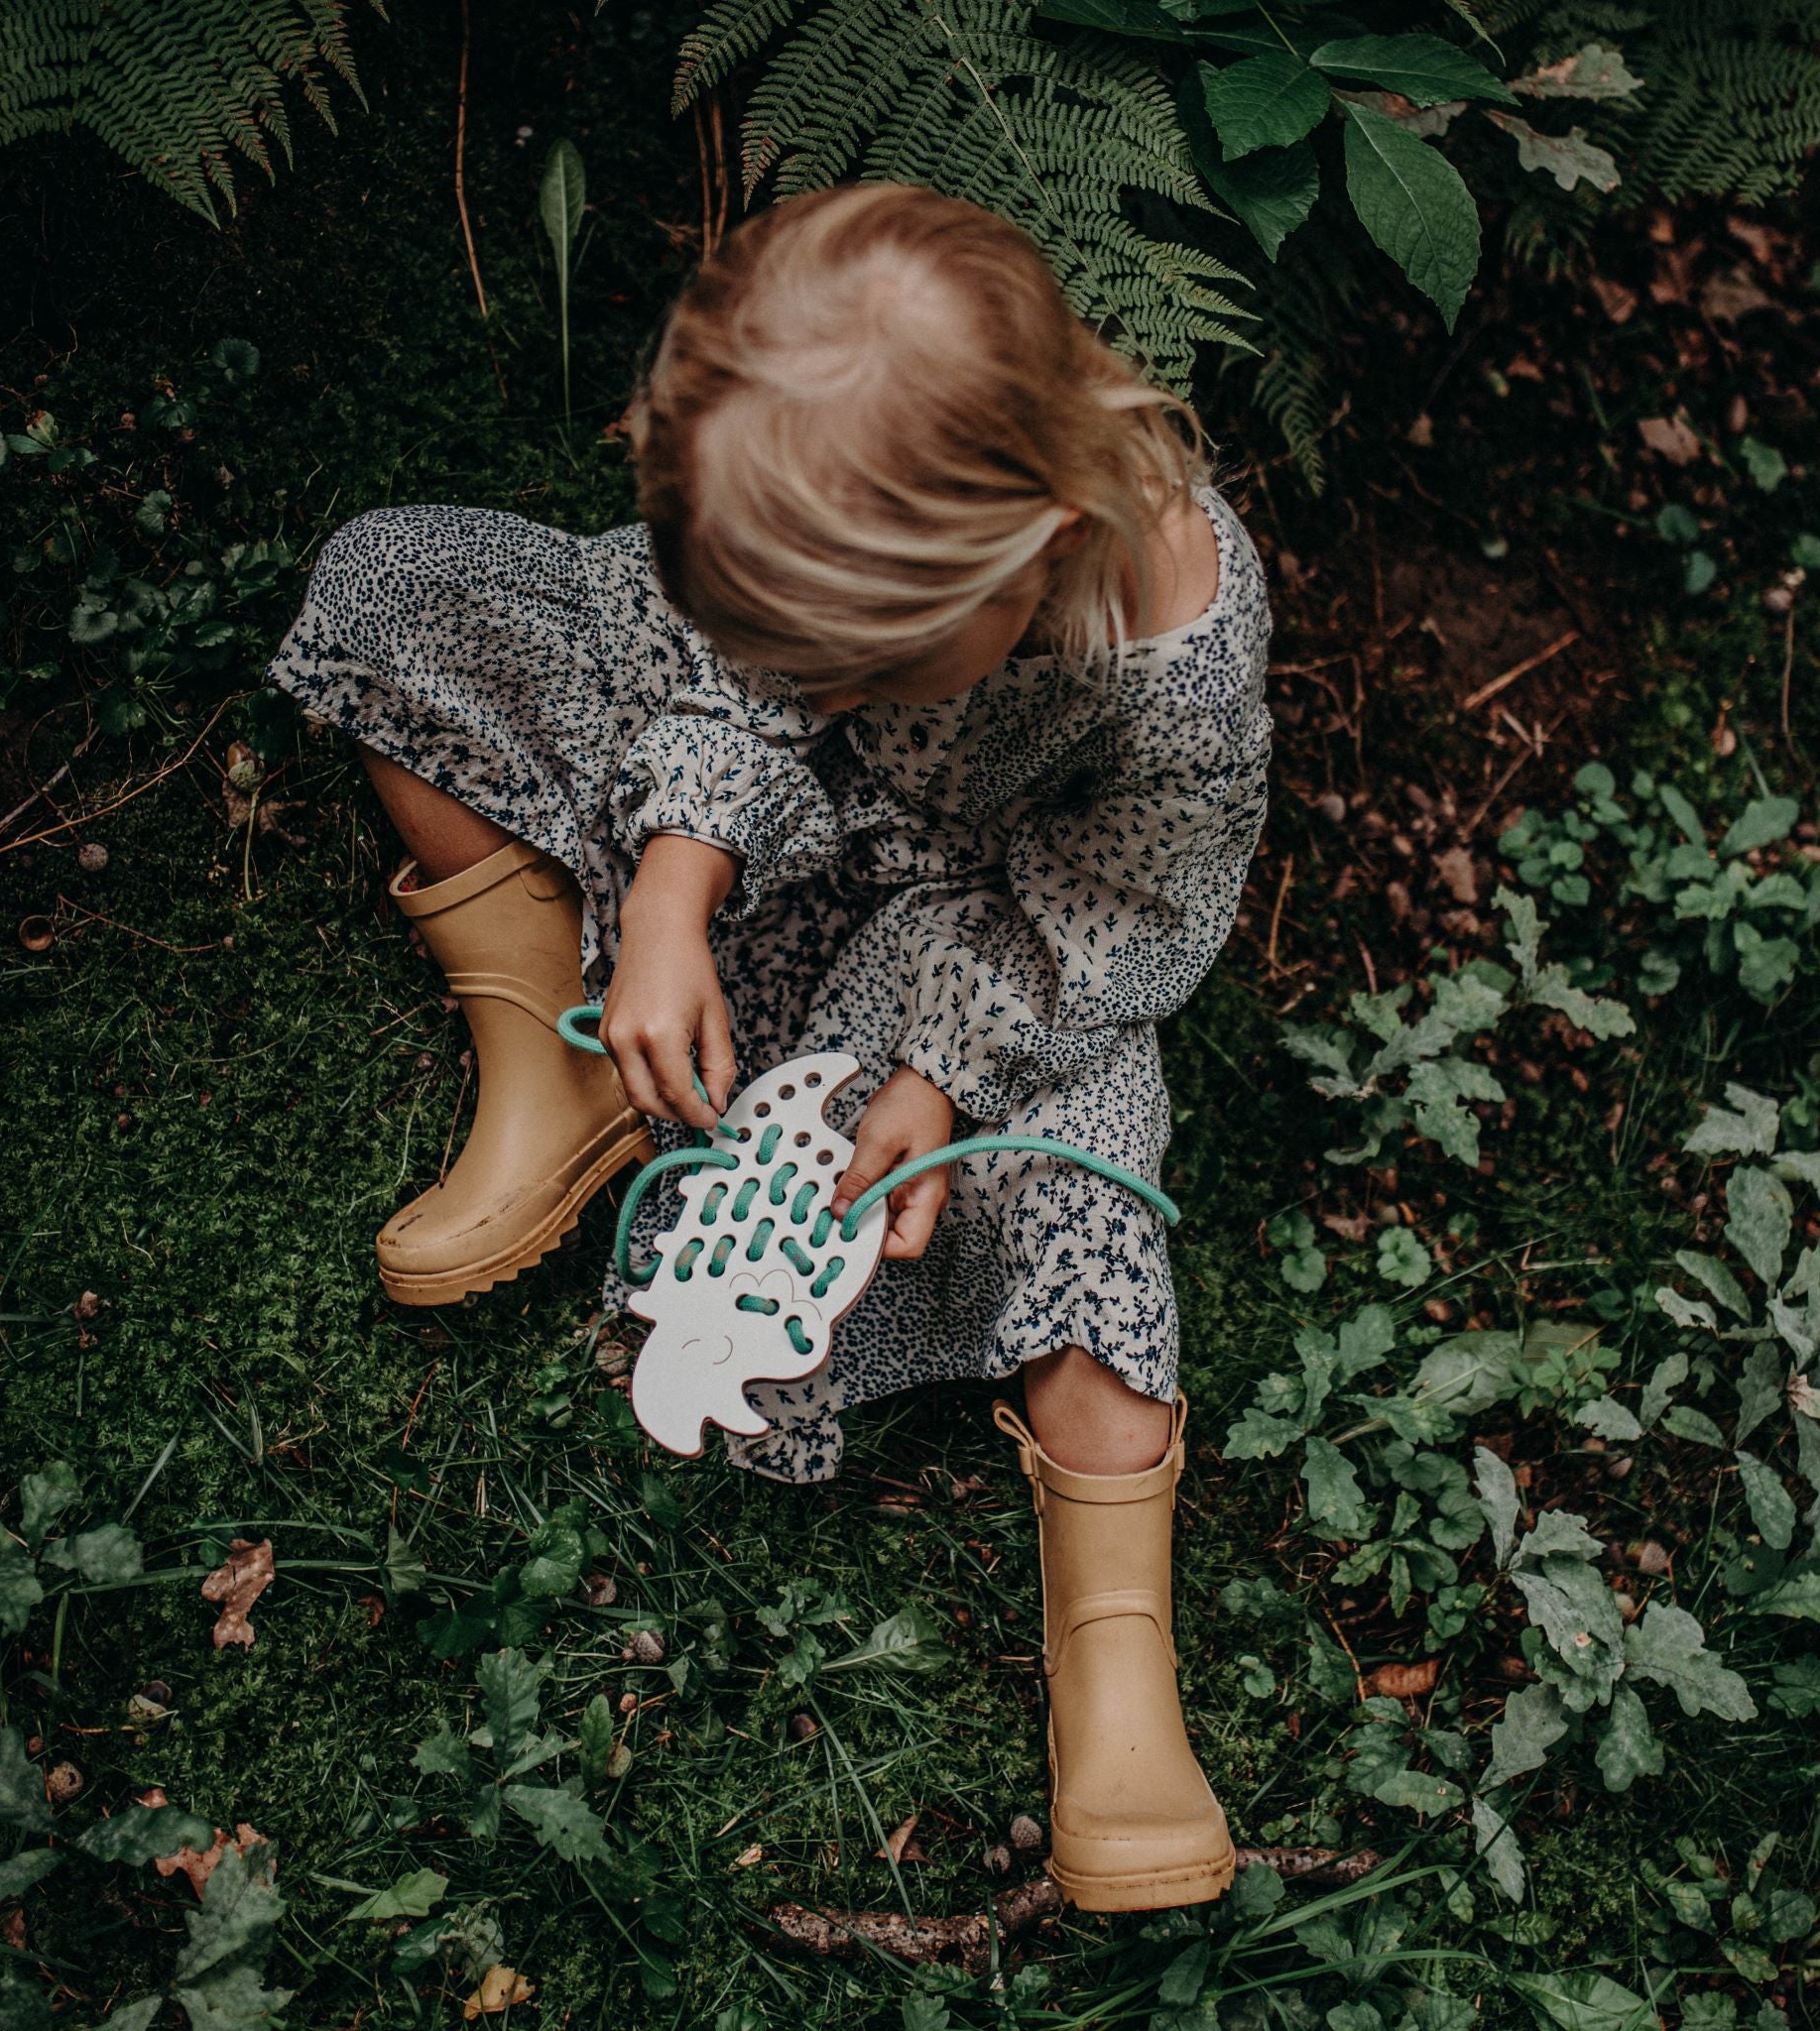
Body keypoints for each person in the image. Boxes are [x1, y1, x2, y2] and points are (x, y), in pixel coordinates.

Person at [267, 181, 1272, 1913]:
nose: (807, 667)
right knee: (396, 583)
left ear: (1027, 549)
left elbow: (1109, 914)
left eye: (854, 657)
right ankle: (565, 1052)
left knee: (1095, 1200)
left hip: (975, 960)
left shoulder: (1166, 658)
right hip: (756, 851)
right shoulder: (809, 504)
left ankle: (1118, 1666)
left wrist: (940, 1071)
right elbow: (713, 671)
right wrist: (672, 886)